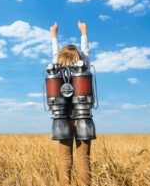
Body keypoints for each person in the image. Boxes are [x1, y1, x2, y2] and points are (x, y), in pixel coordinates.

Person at [50, 20, 92, 186]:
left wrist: (53, 35)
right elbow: (86, 53)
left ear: (60, 58)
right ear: (79, 58)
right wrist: (84, 32)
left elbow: (55, 55)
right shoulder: (84, 66)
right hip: (84, 119)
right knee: (84, 160)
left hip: (62, 119)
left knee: (64, 160)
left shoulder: (57, 68)